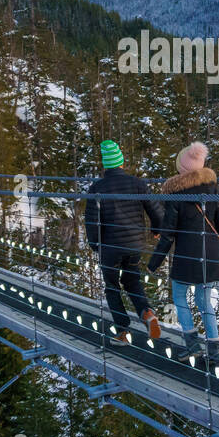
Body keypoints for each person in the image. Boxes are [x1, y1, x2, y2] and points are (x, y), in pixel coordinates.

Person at [147, 142, 219, 366]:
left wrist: (153, 263)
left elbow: (168, 234)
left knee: (180, 297)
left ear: (182, 169)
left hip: (187, 256)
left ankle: (192, 347)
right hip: (210, 255)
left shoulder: (176, 194)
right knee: (205, 302)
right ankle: (215, 353)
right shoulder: (212, 189)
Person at [84, 139, 163, 344]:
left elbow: (91, 220)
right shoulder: (137, 183)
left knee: (112, 286)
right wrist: (157, 228)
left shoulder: (97, 188)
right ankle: (147, 314)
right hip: (135, 245)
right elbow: (155, 209)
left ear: (105, 165)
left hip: (109, 247)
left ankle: (123, 332)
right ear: (121, 162)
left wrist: (95, 244)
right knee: (132, 281)